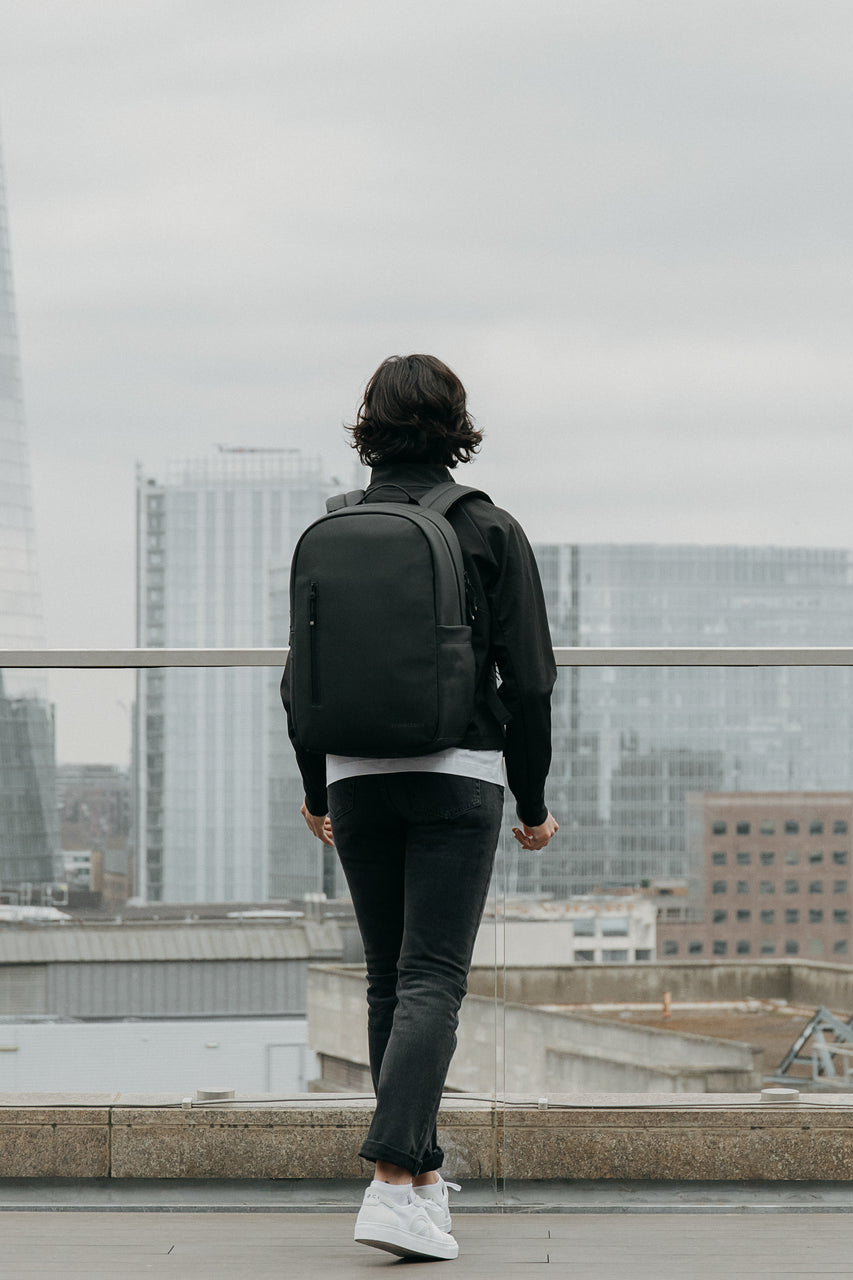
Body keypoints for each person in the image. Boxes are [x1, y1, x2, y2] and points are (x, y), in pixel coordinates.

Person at [281, 354, 558, 1261]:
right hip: (457, 773)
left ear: (368, 423)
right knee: (434, 978)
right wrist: (533, 797)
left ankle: (425, 1180)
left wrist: (319, 785)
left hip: (356, 777)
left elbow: (299, 682)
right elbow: (531, 682)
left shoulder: (335, 527)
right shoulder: (490, 528)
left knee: (391, 980)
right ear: (458, 423)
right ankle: (392, 1177)